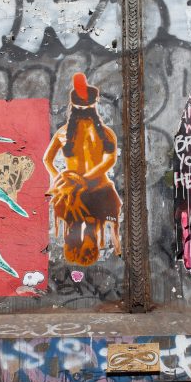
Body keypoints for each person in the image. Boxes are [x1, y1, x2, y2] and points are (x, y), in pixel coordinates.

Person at [43, 72, 122, 266]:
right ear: (94, 107)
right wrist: (75, 180)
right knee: (107, 216)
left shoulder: (64, 133)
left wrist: (63, 179)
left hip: (78, 190)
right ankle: (96, 239)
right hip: (96, 188)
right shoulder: (106, 134)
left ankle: (83, 237)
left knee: (75, 218)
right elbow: (109, 160)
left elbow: (47, 160)